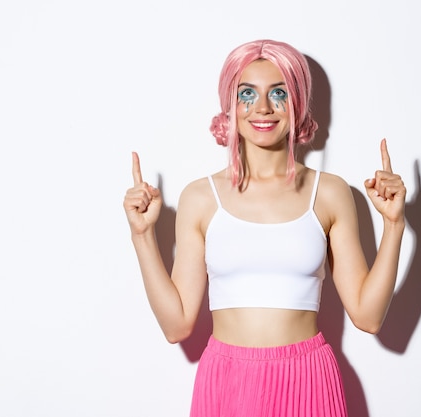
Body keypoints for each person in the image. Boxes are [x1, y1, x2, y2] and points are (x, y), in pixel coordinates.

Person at [123, 39, 406, 417]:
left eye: (279, 93)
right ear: (229, 105)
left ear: (298, 103)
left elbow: (368, 317)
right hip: (227, 380)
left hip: (308, 380)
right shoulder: (201, 198)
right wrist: (142, 235)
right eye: (247, 94)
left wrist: (394, 225)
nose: (263, 108)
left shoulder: (331, 193)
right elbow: (176, 326)